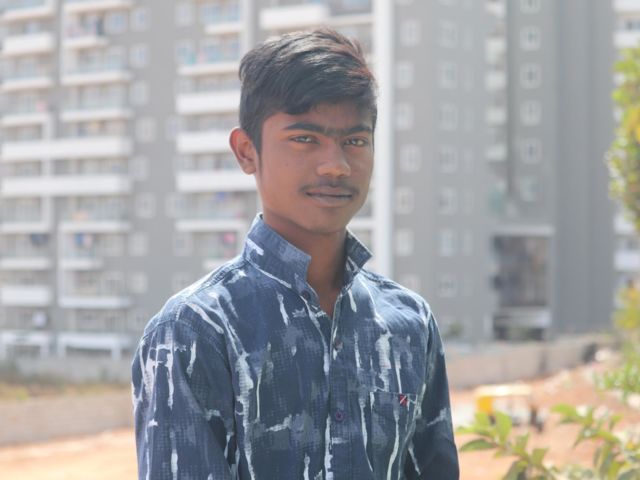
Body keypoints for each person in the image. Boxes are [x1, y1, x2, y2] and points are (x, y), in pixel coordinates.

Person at [132, 28, 459, 480]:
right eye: (305, 138)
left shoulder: (409, 323)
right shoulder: (196, 330)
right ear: (246, 151)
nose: (336, 165)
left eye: (355, 141)